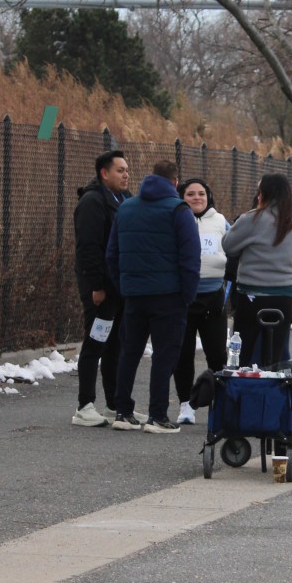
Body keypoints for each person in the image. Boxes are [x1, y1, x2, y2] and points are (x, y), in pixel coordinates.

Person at [105, 160, 201, 433]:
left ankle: (122, 411)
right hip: (169, 295)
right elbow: (190, 258)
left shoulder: (126, 207)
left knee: (129, 352)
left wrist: (125, 285)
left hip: (134, 295)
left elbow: (112, 254)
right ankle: (157, 415)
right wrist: (187, 295)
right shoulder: (178, 210)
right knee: (164, 355)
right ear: (175, 182)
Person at [72, 149, 133, 426]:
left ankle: (113, 404)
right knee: (95, 343)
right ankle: (84, 405)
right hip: (101, 290)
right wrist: (97, 286)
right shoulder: (92, 202)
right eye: (120, 170)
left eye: (127, 170)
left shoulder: (125, 199)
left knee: (115, 347)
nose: (126, 174)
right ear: (104, 173)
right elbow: (88, 248)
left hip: (119, 288)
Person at [221, 173, 292, 368]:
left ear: (264, 193)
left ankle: (244, 380)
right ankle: (274, 380)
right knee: (277, 350)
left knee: (245, 349)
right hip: (286, 294)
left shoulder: (251, 218)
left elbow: (228, 245)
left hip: (252, 293)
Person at [173, 178, 230, 424]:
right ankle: (186, 404)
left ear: (208, 197)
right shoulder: (175, 218)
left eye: (201, 193)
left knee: (217, 354)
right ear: (181, 197)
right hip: (184, 296)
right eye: (190, 194)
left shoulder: (220, 221)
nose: (197, 198)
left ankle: (220, 404)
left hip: (214, 296)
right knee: (183, 354)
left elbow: (233, 249)